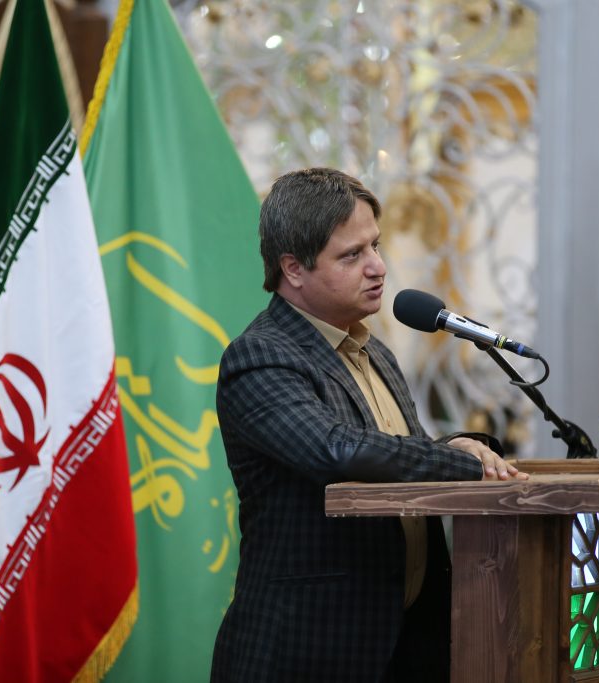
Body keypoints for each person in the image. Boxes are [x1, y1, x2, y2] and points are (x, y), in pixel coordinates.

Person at [210, 167, 528, 683]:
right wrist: (457, 463)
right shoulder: (261, 357)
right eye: (352, 255)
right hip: (308, 651)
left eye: (375, 246)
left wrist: (457, 446)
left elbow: (395, 454)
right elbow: (338, 451)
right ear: (293, 268)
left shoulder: (373, 350)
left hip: (405, 645)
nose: (378, 267)